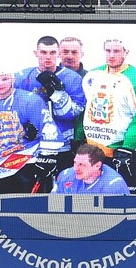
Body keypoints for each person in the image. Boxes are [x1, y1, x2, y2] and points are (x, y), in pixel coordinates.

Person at [78, 38, 136, 194]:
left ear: (126, 52)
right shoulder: (92, 75)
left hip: (123, 151)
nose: (111, 55)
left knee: (124, 198)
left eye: (117, 51)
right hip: (94, 150)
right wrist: (78, 137)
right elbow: (86, 108)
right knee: (90, 196)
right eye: (108, 50)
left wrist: (127, 148)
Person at [15, 35, 86, 189]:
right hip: (32, 146)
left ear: (58, 53)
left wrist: (57, 94)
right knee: (32, 190)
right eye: (43, 52)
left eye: (52, 52)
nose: (48, 57)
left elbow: (74, 113)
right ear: (36, 53)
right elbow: (13, 109)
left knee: (63, 188)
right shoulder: (22, 77)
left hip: (63, 145)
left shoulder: (73, 78)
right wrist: (25, 126)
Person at [0, 66, 52, 194]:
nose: (0, 83)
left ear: (13, 79)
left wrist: (47, 157)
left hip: (26, 161)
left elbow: (48, 128)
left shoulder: (31, 100)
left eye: (5, 79)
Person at [52, 143, 131, 196]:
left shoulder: (114, 186)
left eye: (81, 165)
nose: (75, 168)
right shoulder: (66, 176)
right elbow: (52, 205)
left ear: (97, 166)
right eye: (75, 163)